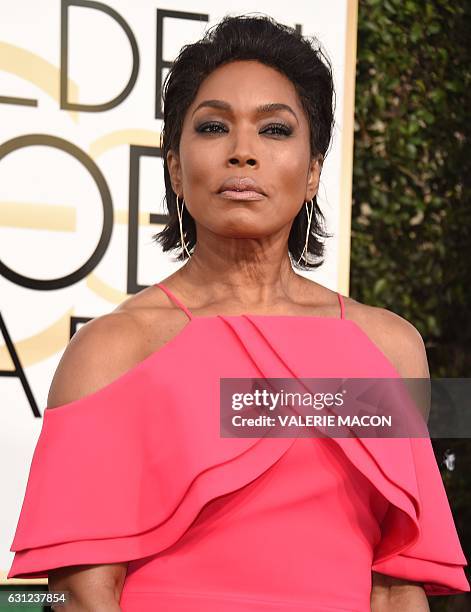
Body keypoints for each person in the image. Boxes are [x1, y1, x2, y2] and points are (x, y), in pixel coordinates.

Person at [7, 14, 469, 611]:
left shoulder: (387, 346)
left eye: (274, 129)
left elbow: (396, 582)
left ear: (312, 172)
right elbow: (81, 593)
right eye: (214, 126)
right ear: (175, 167)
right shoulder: (114, 350)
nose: (243, 152)